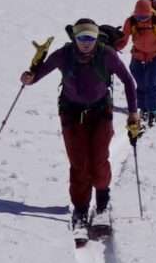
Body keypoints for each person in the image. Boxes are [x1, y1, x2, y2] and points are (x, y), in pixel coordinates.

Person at [22, 18, 137, 241]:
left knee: (99, 160)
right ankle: (81, 211)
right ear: (75, 38)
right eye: (82, 37)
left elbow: (129, 82)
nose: (86, 42)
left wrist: (133, 113)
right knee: (79, 164)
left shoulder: (107, 55)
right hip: (71, 114)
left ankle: (102, 206)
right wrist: (28, 78)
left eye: (90, 38)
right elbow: (37, 75)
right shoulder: (63, 55)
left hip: (100, 113)